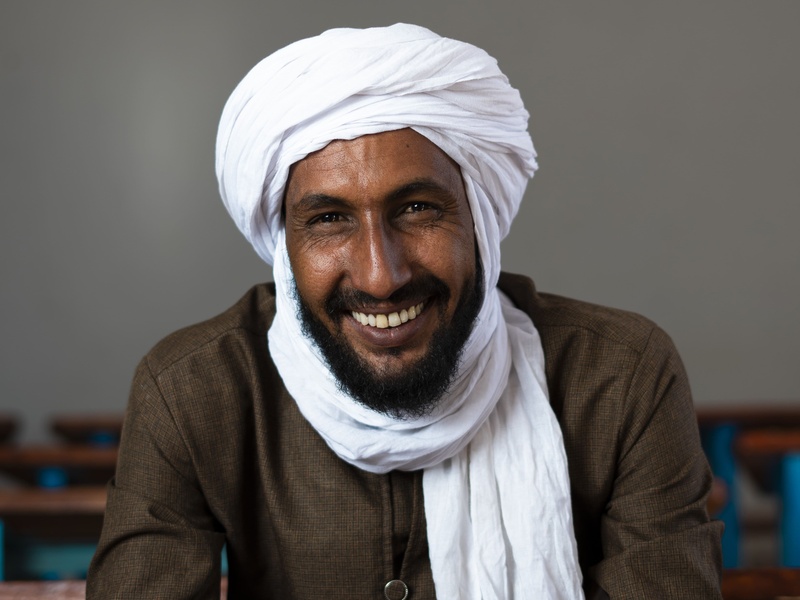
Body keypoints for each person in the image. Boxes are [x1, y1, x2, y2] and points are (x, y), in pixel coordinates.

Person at [87, 24, 722, 599]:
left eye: (417, 208)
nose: (380, 276)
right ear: (283, 248)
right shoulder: (196, 390)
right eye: (329, 219)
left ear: (481, 221)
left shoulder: (620, 377)